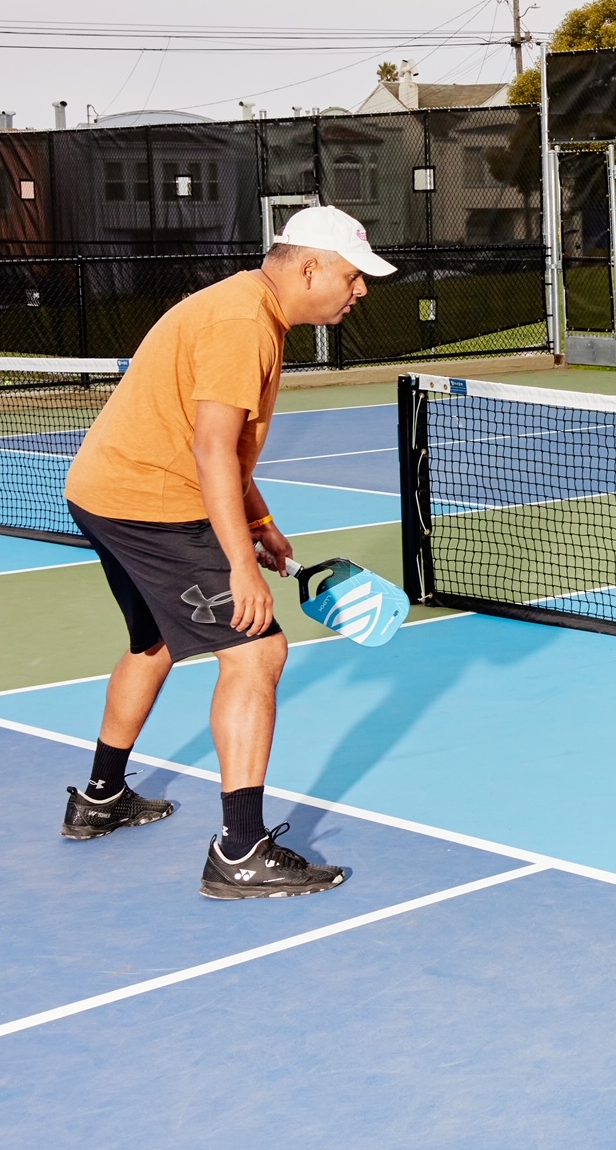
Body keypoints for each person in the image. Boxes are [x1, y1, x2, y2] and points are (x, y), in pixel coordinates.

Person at [60, 205, 392, 899]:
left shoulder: (244, 306)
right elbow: (210, 447)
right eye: (354, 276)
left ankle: (100, 798)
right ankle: (240, 850)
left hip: (103, 491)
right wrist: (241, 565)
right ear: (311, 268)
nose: (359, 291)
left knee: (153, 641)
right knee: (257, 651)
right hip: (151, 505)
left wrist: (260, 520)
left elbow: (224, 446)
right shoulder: (244, 324)